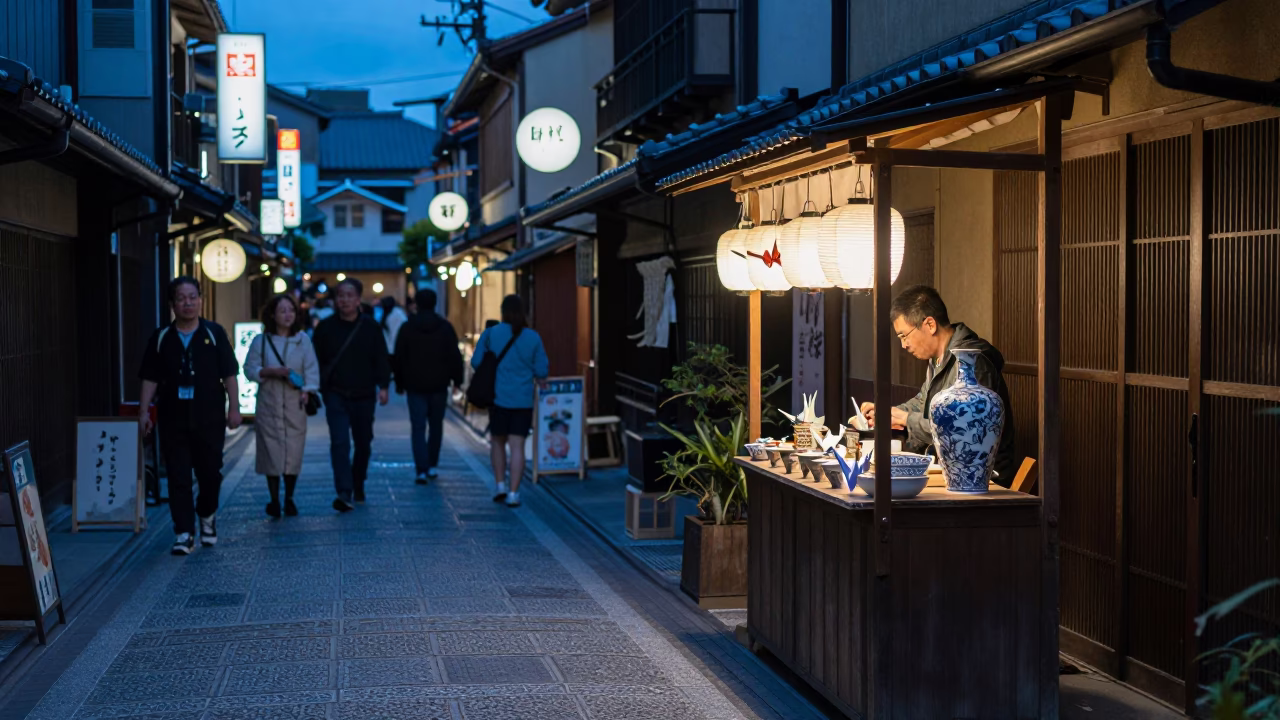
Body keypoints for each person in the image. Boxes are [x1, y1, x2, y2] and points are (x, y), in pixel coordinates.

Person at [860, 285, 1018, 487]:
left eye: (904, 336)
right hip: (950, 471)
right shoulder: (937, 360)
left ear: (930, 325)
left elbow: (963, 431)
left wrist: (907, 420)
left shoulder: (972, 363)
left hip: (982, 479)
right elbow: (923, 402)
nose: (904, 345)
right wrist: (889, 413)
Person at [138, 277, 241, 555]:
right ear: (172, 303)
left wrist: (235, 407)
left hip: (209, 417)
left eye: (192, 297)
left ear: (200, 300)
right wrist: (144, 412)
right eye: (181, 298)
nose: (188, 302)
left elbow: (229, 373)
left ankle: (207, 515)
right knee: (177, 475)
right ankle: (183, 532)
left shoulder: (214, 333)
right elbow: (149, 378)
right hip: (173, 417)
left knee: (210, 473)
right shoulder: (161, 338)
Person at [313, 278, 391, 512]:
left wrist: (384, 386)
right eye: (340, 296)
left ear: (358, 299)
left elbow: (381, 358)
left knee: (363, 443)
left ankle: (358, 482)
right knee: (339, 442)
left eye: (349, 295)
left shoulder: (371, 327)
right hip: (335, 393)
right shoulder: (325, 327)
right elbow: (315, 359)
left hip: (364, 393)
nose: (344, 300)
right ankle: (344, 491)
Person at [244, 294, 320, 518]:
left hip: (295, 402)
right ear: (272, 315)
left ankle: (289, 497)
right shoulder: (261, 341)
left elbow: (311, 369)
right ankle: (274, 499)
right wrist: (269, 372)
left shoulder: (303, 340)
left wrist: (308, 390)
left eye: (291, 311)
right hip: (269, 402)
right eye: (282, 311)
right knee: (271, 450)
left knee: (293, 451)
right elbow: (250, 369)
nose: (288, 315)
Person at [471, 294, 548, 507]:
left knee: (497, 442)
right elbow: (541, 369)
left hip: (497, 399)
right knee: (517, 446)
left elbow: (476, 362)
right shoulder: (533, 337)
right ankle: (514, 493)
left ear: (502, 311)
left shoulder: (491, 334)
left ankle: (500, 486)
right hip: (523, 401)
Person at [393, 289, 463, 485]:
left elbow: (399, 357)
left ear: (416, 304)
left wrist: (399, 382)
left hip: (414, 384)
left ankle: (421, 469)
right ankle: (432, 465)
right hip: (439, 384)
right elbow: (454, 356)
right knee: (436, 426)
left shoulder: (408, 327)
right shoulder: (445, 327)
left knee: (417, 427)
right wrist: (457, 381)